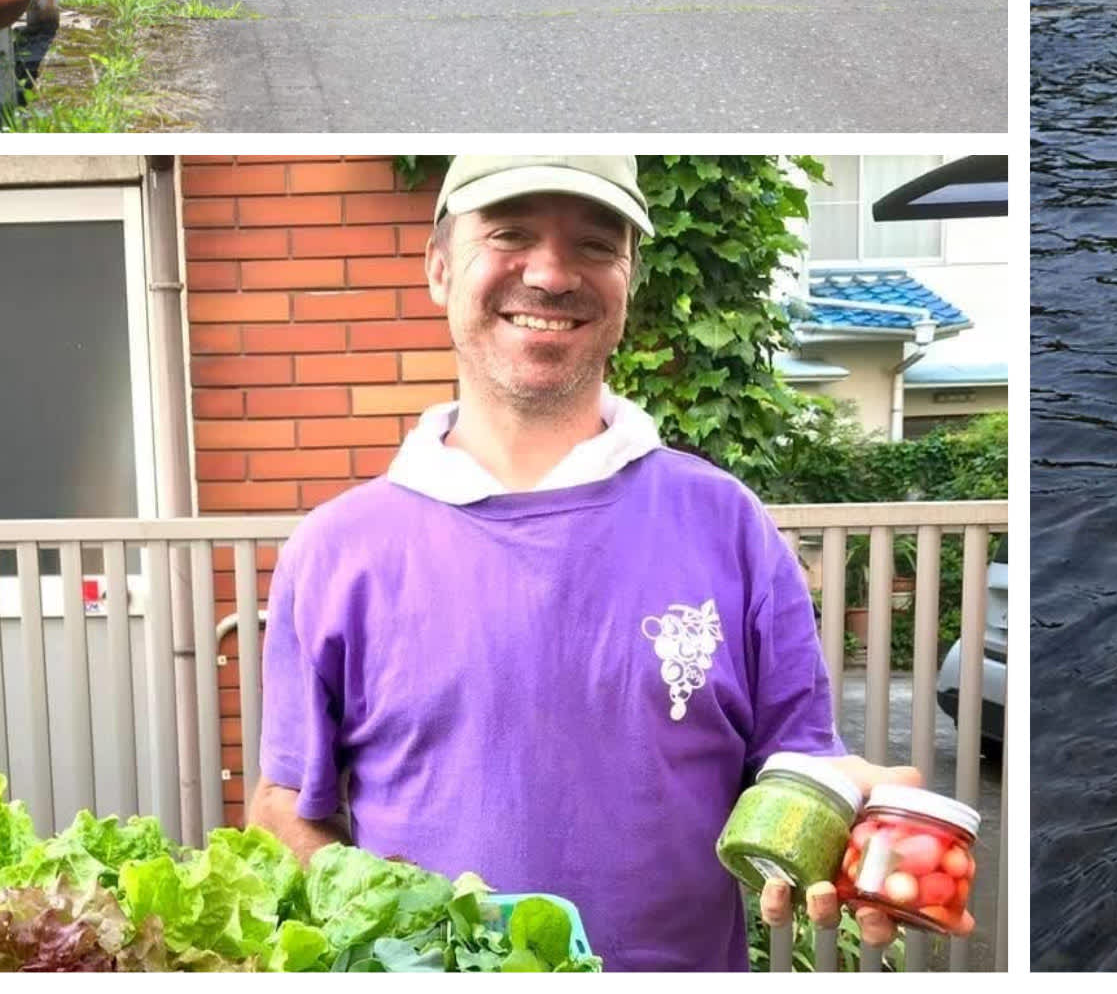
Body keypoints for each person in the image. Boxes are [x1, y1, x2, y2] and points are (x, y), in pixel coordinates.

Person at [248, 155, 920, 970]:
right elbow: (288, 805)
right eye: (510, 234)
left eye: (596, 245)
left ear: (628, 281)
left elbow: (797, 761)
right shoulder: (335, 548)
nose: (552, 273)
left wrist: (859, 818)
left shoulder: (727, 524)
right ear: (438, 267)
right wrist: (380, 918)